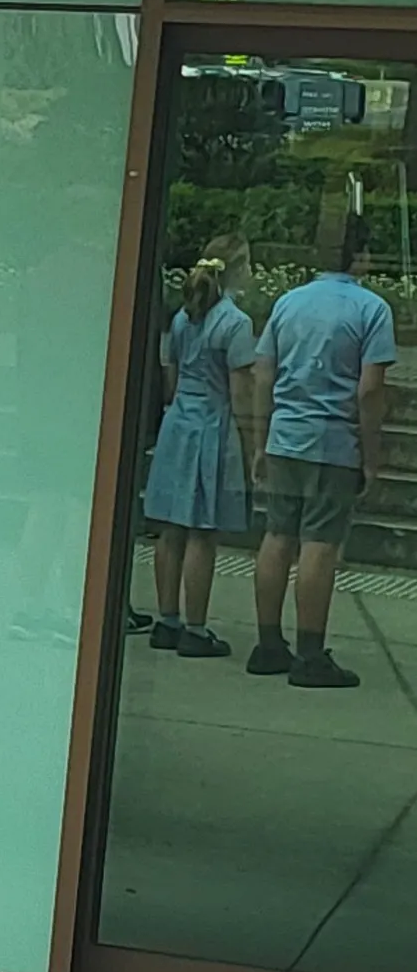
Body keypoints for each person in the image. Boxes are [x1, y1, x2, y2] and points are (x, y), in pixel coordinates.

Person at [251, 194, 396, 689]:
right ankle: (310, 653)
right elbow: (371, 388)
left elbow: (263, 371)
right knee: (320, 543)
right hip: (333, 441)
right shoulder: (371, 309)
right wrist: (370, 456)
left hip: (285, 437)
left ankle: (268, 642)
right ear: (363, 256)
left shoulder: (288, 302)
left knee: (277, 536)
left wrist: (260, 437)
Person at [140, 236, 263, 657]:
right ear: (238, 268)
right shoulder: (235, 323)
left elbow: (171, 376)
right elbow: (241, 392)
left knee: (171, 528)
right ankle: (196, 626)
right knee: (202, 531)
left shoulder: (183, 317)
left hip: (179, 424)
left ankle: (167, 619)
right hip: (212, 426)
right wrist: (251, 445)